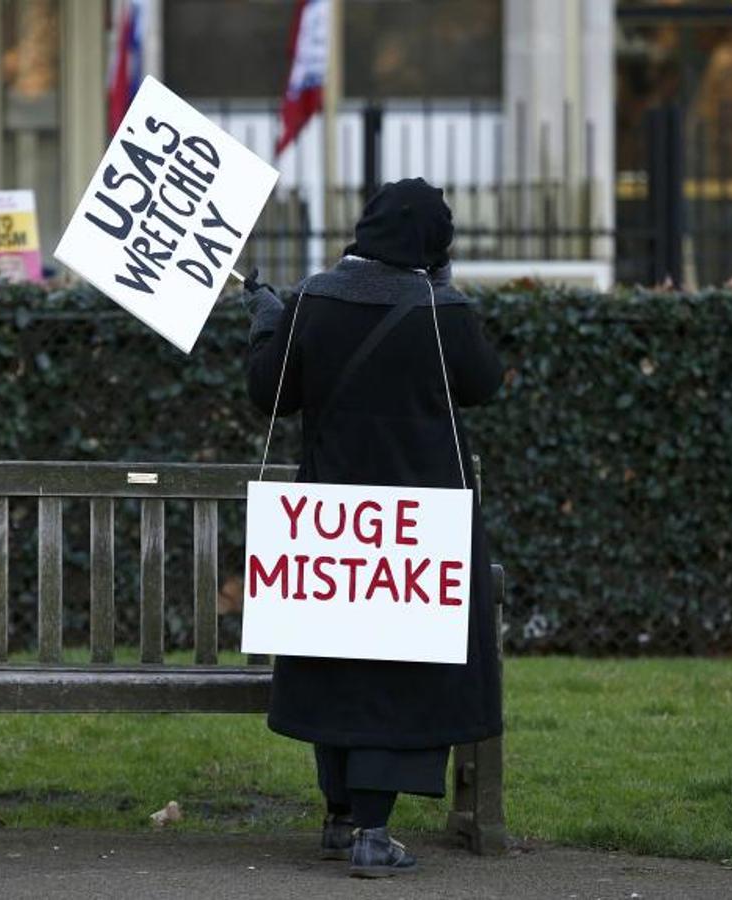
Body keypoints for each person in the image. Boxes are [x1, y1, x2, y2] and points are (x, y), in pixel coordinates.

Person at [241, 177, 504, 878]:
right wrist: (445, 289)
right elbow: (484, 383)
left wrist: (269, 317)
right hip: (417, 530)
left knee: (335, 668)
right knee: (399, 677)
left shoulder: (314, 301)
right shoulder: (439, 310)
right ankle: (372, 834)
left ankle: (337, 819)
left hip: (331, 526)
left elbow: (270, 392)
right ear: (430, 244)